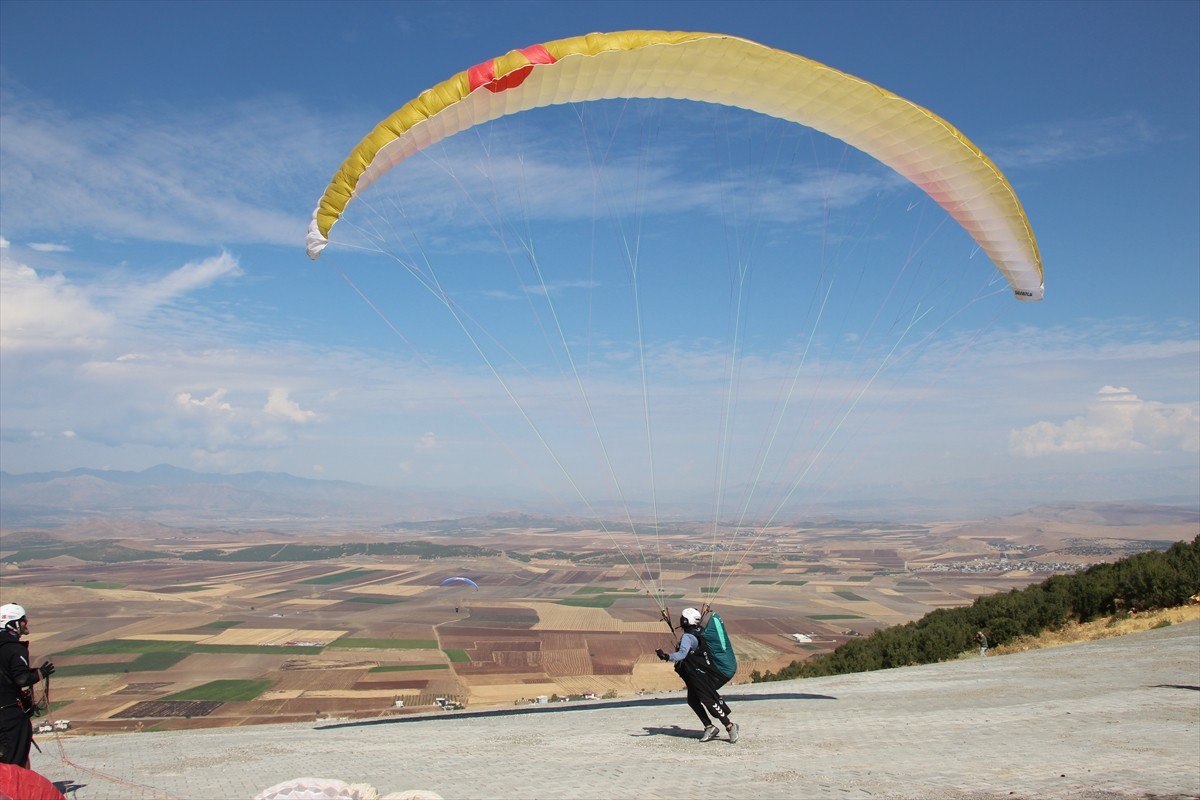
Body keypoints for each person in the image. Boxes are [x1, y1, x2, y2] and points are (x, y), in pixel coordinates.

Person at [655, 607, 739, 743]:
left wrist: (665, 656)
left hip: (700, 676)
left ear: (685, 620)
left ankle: (730, 726)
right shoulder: (700, 632)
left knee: (708, 700)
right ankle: (709, 727)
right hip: (701, 673)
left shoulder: (688, 637)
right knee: (693, 700)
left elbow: (682, 654)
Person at [0, 603, 54, 767]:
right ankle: (14, 791)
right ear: (13, 623)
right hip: (9, 713)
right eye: (23, 620)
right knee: (15, 757)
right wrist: (40, 674)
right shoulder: (14, 649)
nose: (26, 622)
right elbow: (21, 679)